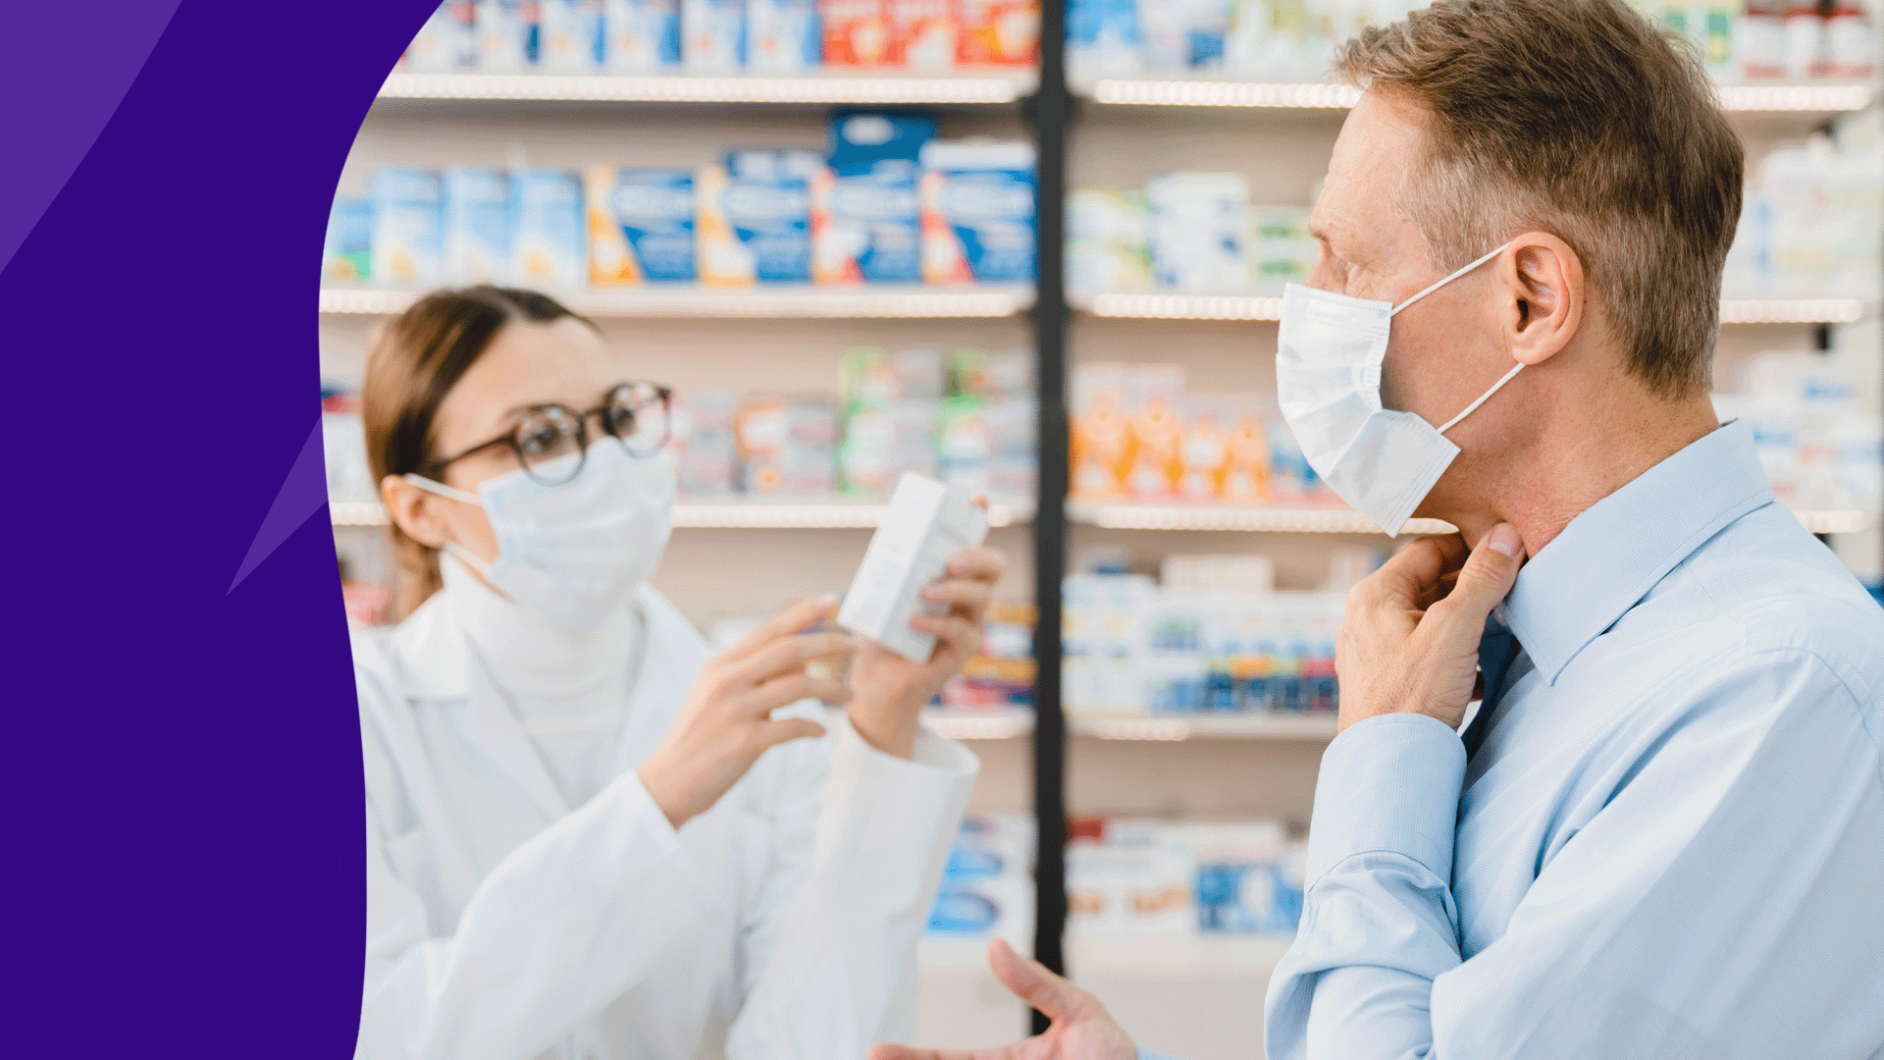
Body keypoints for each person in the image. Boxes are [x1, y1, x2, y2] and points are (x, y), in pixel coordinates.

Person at [872, 2, 1884, 1059]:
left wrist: (1381, 759)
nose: (1306, 303)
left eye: (1344, 261)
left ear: (1531, 301)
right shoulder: (1534, 645)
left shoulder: (1771, 700)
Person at [350, 285, 1007, 1060]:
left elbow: (820, 1045)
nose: (601, 463)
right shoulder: (361, 716)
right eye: (539, 437)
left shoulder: (765, 723)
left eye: (619, 418)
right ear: (418, 509)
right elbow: (382, 1034)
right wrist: (655, 807)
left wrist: (886, 723)